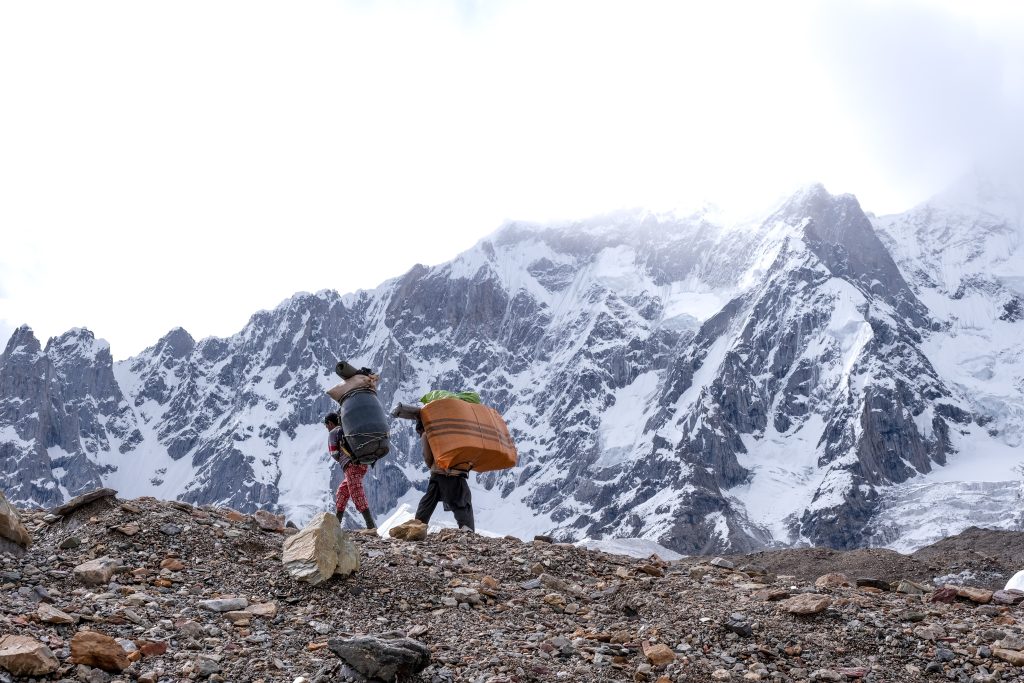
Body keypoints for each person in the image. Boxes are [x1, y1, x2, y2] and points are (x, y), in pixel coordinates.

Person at [413, 419, 475, 531]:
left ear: (420, 428)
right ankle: (468, 529)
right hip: (456, 472)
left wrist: (432, 466)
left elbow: (427, 457)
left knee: (428, 502)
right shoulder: (451, 431)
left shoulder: (426, 434)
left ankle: (417, 527)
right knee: (461, 500)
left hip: (439, 473)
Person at [324, 412, 376, 529]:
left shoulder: (333, 432)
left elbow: (335, 454)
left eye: (326, 425)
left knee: (357, 494)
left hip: (351, 465)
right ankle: (336, 525)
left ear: (330, 423)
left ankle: (371, 527)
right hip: (362, 464)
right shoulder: (346, 430)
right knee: (342, 492)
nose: (326, 428)